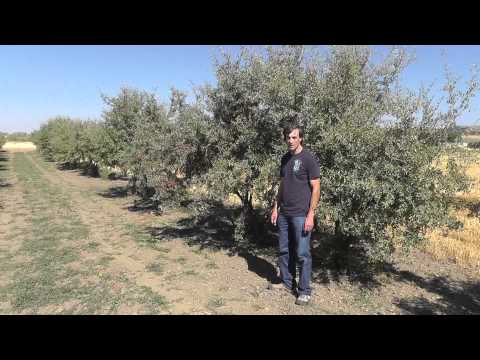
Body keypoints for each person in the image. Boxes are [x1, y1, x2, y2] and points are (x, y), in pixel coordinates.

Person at [269, 123, 320, 306]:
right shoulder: (285, 159)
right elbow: (282, 185)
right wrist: (276, 207)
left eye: (294, 137)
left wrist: (311, 214)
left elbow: (316, 188)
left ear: (300, 138)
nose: (290, 141)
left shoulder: (308, 159)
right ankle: (286, 282)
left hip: (301, 214)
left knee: (302, 253)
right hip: (285, 213)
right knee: (284, 250)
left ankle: (304, 290)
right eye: (288, 137)